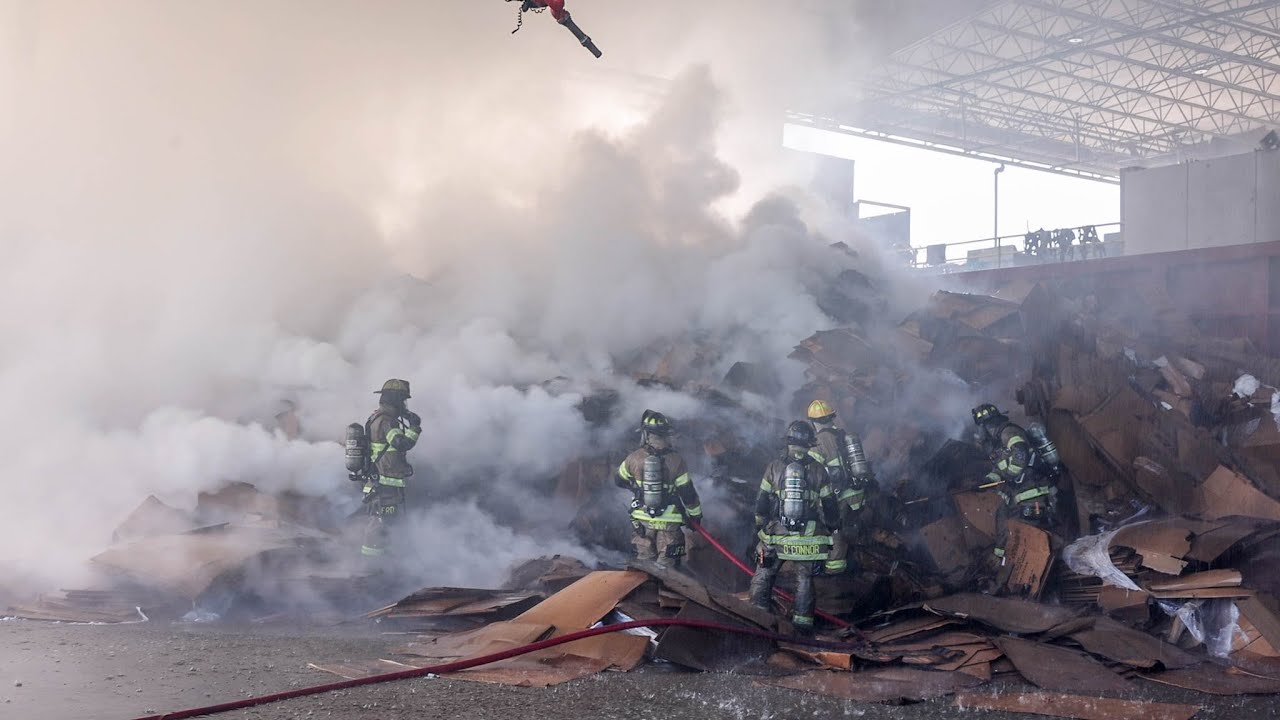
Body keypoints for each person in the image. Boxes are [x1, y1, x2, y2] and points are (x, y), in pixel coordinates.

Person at [749, 420, 840, 635]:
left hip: (776, 535)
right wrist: (833, 526)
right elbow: (829, 505)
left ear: (788, 442)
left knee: (764, 574)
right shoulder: (819, 470)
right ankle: (802, 627)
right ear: (810, 444)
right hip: (807, 538)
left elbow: (762, 501)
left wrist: (760, 526)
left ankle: (756, 619)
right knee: (805, 580)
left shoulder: (774, 466)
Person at [972, 403, 1058, 589]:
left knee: (1027, 533)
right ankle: (1005, 572)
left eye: (981, 427)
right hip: (1017, 496)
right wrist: (984, 482)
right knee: (1003, 521)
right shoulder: (997, 444)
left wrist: (1010, 476)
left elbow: (1020, 453)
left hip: (1033, 493)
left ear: (987, 425)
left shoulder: (1008, 433)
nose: (981, 433)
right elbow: (999, 471)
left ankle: (1033, 579)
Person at [614, 410, 703, 567]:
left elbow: (619, 480)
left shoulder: (634, 458)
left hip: (642, 522)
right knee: (668, 574)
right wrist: (695, 517)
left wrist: (637, 490)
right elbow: (688, 493)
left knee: (642, 571)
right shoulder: (676, 460)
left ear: (646, 434)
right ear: (666, 434)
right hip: (670, 523)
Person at [806, 399, 877, 575]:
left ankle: (835, 579)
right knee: (853, 531)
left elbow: (813, 476)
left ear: (812, 422)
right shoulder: (844, 436)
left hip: (839, 499)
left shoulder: (816, 443)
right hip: (857, 494)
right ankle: (860, 565)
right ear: (832, 417)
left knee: (835, 537)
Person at [360, 379, 422, 559]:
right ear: (395, 400)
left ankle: (379, 563)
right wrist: (415, 427)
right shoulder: (387, 421)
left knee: (382, 523)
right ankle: (376, 565)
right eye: (402, 400)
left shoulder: (376, 417)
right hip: (385, 484)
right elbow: (401, 443)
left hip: (378, 482)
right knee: (384, 525)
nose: (404, 405)